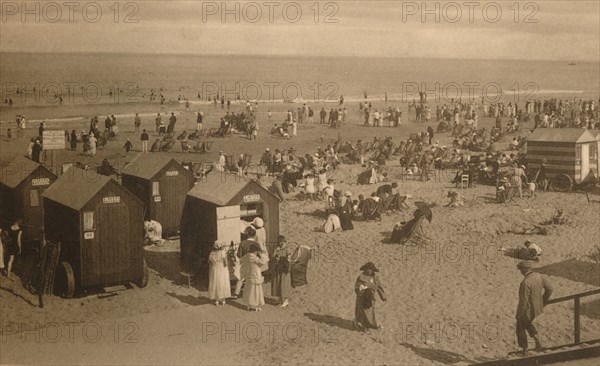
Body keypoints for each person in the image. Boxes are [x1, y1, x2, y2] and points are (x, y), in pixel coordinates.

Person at [515, 260, 554, 355]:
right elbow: (550, 289)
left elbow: (523, 301)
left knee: (520, 325)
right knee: (527, 323)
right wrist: (543, 301)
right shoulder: (539, 276)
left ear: (525, 269)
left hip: (528, 309)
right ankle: (538, 342)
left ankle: (524, 350)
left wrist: (519, 314)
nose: (520, 271)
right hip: (538, 308)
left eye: (521, 269)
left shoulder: (525, 282)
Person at [354, 262, 386, 331]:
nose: (368, 271)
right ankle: (364, 325)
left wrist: (383, 296)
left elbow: (379, 287)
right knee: (363, 313)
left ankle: (367, 324)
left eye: (370, 269)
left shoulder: (375, 278)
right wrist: (361, 289)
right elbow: (357, 288)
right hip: (362, 299)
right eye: (367, 269)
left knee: (370, 312)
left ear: (372, 270)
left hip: (371, 298)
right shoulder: (361, 278)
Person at [241, 243, 268, 311]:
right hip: (256, 274)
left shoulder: (246, 257)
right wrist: (261, 254)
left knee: (249, 289)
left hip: (249, 274)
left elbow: (241, 262)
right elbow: (265, 260)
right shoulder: (256, 258)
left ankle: (249, 304)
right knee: (256, 290)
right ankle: (257, 305)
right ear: (255, 251)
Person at [271, 235, 292, 307]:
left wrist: (283, 259)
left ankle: (286, 300)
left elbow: (289, 259)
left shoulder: (287, 249)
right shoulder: (277, 249)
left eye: (282, 242)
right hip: (278, 269)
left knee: (284, 284)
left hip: (284, 270)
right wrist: (276, 258)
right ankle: (280, 298)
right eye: (280, 242)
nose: (281, 244)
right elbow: (273, 256)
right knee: (278, 283)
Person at [208, 241, 231, 306]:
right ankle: (223, 299)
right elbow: (226, 263)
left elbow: (209, 262)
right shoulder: (222, 253)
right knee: (222, 283)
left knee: (215, 283)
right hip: (222, 269)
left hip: (214, 269)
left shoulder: (211, 253)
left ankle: (216, 300)